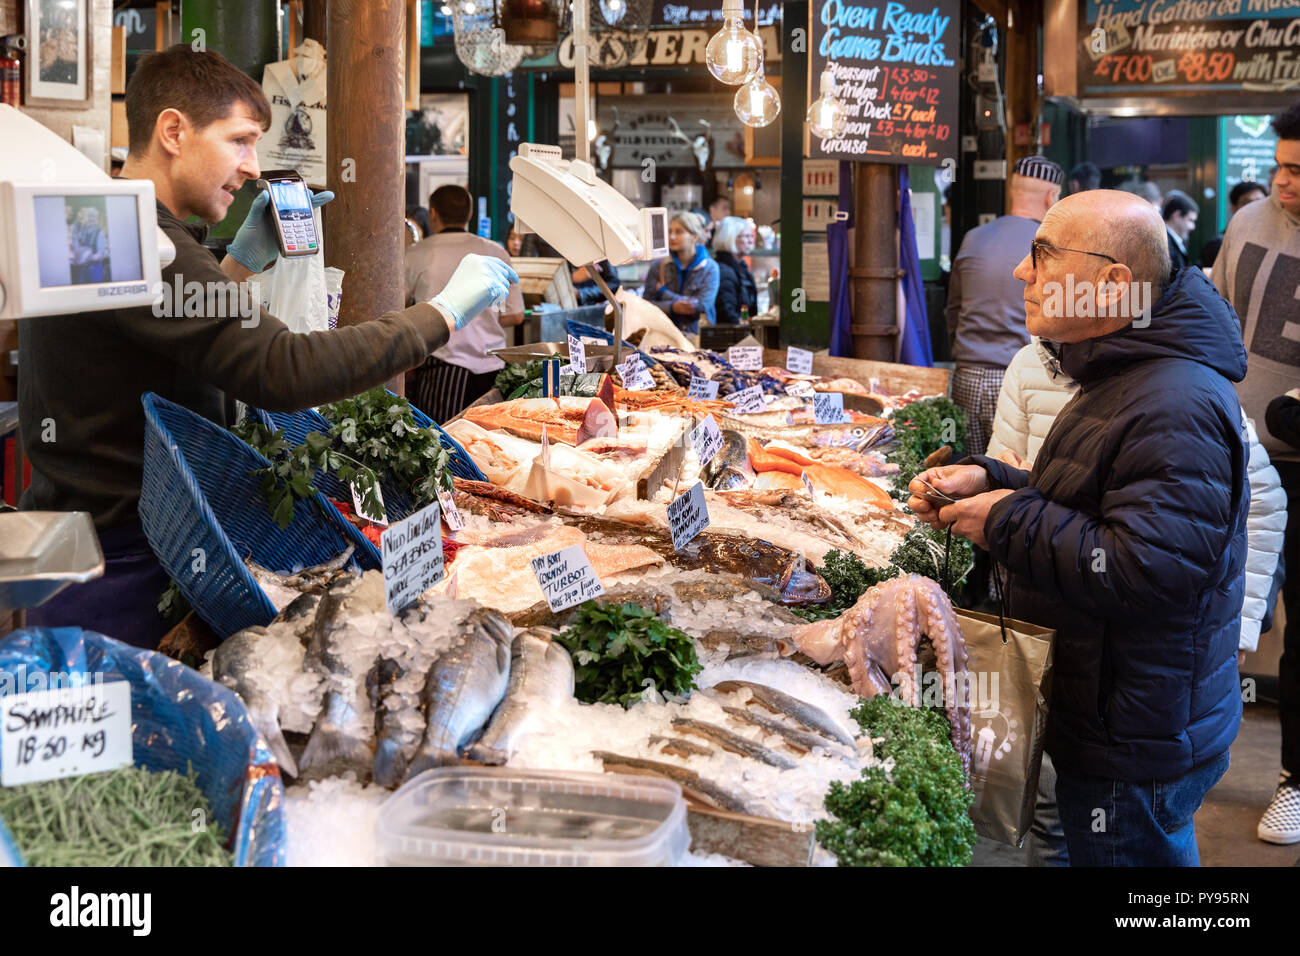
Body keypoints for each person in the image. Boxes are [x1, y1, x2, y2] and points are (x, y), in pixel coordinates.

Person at [18, 45, 514, 650]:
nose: (254, 166)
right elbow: (280, 368)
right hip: (121, 564)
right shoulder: (136, 235)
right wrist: (441, 313)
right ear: (173, 131)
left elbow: (154, 335)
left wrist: (237, 265)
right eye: (240, 140)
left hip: (101, 539)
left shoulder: (98, 221)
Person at [913, 190, 1248, 866]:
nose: (1020, 272)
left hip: (1135, 727)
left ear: (1112, 283)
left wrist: (1007, 519)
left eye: (1041, 255)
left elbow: (1145, 568)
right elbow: (1097, 501)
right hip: (1113, 704)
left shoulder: (1174, 400)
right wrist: (995, 482)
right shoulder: (1122, 370)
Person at [1213, 99, 1300, 846]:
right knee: (1216, 605)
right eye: (1280, 167)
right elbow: (1214, 318)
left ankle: (1295, 779)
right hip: (1235, 451)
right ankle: (1192, 753)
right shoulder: (1246, 225)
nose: (1286, 183)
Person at [946, 155, 1063, 457]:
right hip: (1021, 380)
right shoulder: (1049, 247)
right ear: (1051, 196)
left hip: (966, 376)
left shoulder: (973, 238)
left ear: (1012, 190)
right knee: (1009, 481)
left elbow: (953, 311)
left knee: (963, 476)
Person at [405, 184, 525, 422]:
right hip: (493, 369)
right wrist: (484, 315)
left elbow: (398, 308)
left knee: (444, 442)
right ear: (469, 215)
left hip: (444, 368)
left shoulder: (416, 254)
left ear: (433, 213)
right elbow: (516, 315)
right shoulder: (495, 251)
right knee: (488, 443)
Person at [641, 211, 719, 333]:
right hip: (665, 336)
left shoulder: (709, 268)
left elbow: (701, 306)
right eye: (670, 231)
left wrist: (664, 293)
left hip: (698, 337)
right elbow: (645, 305)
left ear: (695, 236)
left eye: (679, 232)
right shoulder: (659, 266)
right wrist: (672, 307)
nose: (671, 237)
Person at [1199, 180, 1267, 269]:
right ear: (1234, 208)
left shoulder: (1274, 241)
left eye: (1260, 202)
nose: (1254, 207)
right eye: (1247, 203)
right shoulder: (1218, 247)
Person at [712, 216, 758, 324]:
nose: (751, 241)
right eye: (746, 236)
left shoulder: (740, 266)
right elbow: (727, 314)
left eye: (751, 236)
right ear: (730, 238)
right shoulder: (724, 271)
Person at [1163, 189, 1199, 270]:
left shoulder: (1170, 242)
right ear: (1176, 216)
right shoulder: (1165, 244)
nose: (1193, 227)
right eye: (1190, 220)